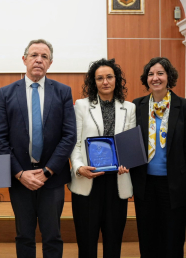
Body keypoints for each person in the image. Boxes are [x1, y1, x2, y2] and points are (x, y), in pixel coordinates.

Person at [0, 39, 76, 258]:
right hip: (20, 179)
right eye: (34, 55)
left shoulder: (63, 92)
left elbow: (69, 136)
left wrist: (48, 171)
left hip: (52, 178)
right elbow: (0, 138)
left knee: (52, 236)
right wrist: (19, 174)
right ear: (24, 59)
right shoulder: (6, 92)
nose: (39, 60)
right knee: (24, 236)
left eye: (44, 56)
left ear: (50, 63)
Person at [131, 57, 186, 258]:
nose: (155, 78)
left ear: (169, 77)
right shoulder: (137, 106)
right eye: (151, 74)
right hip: (145, 186)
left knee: (173, 241)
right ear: (146, 79)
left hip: (175, 187)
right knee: (148, 240)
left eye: (160, 73)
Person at [68, 58, 135, 258]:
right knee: (86, 243)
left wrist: (127, 162)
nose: (105, 82)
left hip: (117, 182)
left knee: (113, 242)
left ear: (117, 79)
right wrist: (79, 168)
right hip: (87, 180)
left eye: (109, 77)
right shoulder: (80, 106)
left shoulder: (129, 108)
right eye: (99, 78)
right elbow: (75, 143)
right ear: (93, 82)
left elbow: (129, 145)